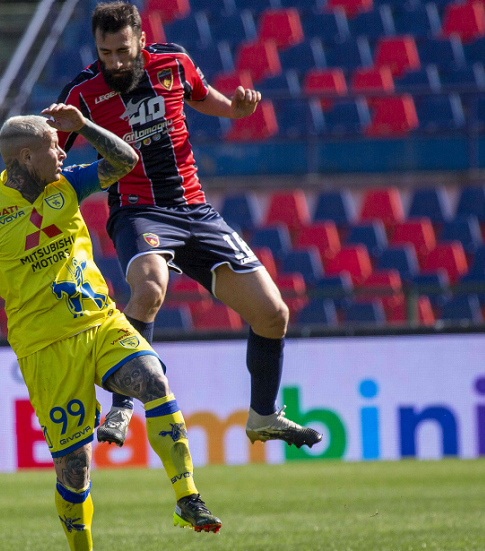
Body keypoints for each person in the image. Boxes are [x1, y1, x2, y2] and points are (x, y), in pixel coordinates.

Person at [0, 103, 221, 549]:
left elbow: (126, 161)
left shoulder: (67, 183)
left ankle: (187, 496)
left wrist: (84, 125)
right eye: (54, 146)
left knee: (153, 380)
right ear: (26, 157)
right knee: (74, 466)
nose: (63, 154)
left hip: (101, 321)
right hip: (44, 348)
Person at [55, 1, 322, 450]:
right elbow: (51, 151)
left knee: (273, 314)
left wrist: (235, 111)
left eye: (122, 50)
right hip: (137, 209)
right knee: (150, 287)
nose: (115, 62)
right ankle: (121, 404)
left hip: (194, 208)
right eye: (106, 53)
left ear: (141, 39)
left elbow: (204, 98)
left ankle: (263, 415)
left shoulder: (174, 63)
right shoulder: (83, 94)